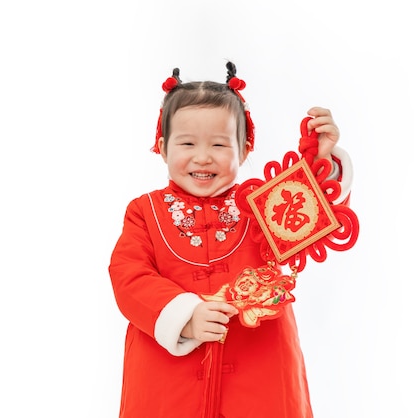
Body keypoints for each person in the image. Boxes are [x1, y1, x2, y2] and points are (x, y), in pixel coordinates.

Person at [108, 62, 353, 418]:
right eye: (187, 143)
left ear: (245, 148)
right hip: (166, 381)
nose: (203, 156)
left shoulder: (263, 205)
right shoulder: (144, 212)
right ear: (162, 148)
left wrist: (323, 161)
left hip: (261, 373)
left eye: (220, 144)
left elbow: (313, 214)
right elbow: (127, 276)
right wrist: (185, 316)